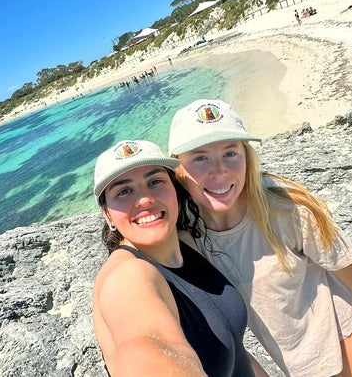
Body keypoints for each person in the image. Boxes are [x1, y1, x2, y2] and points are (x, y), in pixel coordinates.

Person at [168, 99, 352, 377]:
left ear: (247, 157)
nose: (219, 170)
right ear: (178, 170)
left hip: (350, 340)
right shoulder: (184, 237)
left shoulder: (284, 209)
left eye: (230, 153)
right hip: (296, 364)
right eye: (200, 157)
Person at [92, 139, 263, 376]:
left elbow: (234, 348)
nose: (145, 199)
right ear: (107, 214)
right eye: (124, 191)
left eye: (155, 182)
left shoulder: (186, 244)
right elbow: (148, 347)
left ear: (175, 190)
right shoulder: (128, 276)